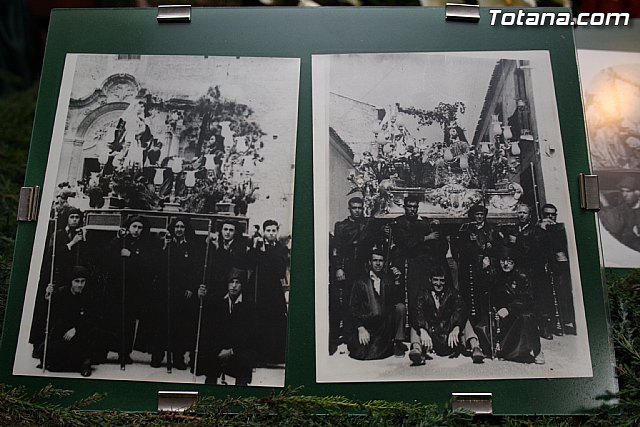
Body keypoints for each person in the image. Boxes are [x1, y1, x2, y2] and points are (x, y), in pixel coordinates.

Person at [101, 215, 160, 365]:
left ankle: (124, 352)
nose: (136, 230)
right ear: (128, 227)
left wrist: (132, 255)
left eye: (140, 228)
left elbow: (149, 265)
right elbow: (106, 256)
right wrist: (117, 242)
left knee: (128, 323)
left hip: (134, 290)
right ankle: (104, 350)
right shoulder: (120, 240)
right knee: (111, 320)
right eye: (134, 227)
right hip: (116, 287)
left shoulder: (147, 244)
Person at [30, 208, 88, 359]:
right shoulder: (59, 234)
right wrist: (72, 243)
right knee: (46, 310)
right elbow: (54, 254)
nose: (75, 220)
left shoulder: (81, 235)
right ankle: (39, 346)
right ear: (67, 219)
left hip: (70, 278)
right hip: (55, 276)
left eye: (77, 217)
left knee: (64, 313)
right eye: (72, 217)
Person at [148, 217, 202, 369]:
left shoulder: (191, 247)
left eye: (182, 227)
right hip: (164, 290)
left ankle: (178, 358)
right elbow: (157, 267)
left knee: (180, 326)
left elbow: (195, 270)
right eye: (176, 227)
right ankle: (157, 356)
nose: (179, 229)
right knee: (161, 325)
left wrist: (191, 288)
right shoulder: (164, 244)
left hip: (183, 292)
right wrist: (164, 247)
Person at [389, 195, 450, 327]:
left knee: (426, 294)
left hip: (426, 265)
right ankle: (412, 328)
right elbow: (406, 242)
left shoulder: (426, 221)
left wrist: (437, 229)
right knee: (412, 295)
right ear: (404, 207)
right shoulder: (398, 222)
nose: (412, 209)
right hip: (408, 265)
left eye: (415, 207)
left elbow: (439, 244)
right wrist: (426, 238)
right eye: (409, 206)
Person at [499, 203, 554, 340]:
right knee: (521, 297)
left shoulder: (536, 230)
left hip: (534, 269)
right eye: (519, 213)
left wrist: (518, 241)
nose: (521, 215)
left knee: (538, 298)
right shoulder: (515, 228)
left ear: (530, 215)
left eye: (524, 213)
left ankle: (544, 327)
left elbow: (536, 249)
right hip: (520, 269)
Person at [409, 267, 484, 365]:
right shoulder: (423, 294)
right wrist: (423, 330)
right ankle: (417, 350)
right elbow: (418, 312)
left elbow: (460, 309)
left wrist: (456, 328)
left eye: (442, 280)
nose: (438, 284)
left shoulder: (453, 293)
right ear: (430, 280)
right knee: (415, 325)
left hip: (449, 335)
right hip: (431, 334)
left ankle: (475, 348)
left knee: (465, 320)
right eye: (435, 280)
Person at [197, 268, 258, 386]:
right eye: (231, 282)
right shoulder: (217, 302)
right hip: (219, 347)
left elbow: (250, 334)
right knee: (209, 358)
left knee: (245, 361)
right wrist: (200, 297)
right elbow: (210, 329)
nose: (234, 286)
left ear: (242, 285)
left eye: (237, 282)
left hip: (238, 349)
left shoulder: (249, 305)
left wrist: (232, 351)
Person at [332, 196, 375, 350]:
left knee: (363, 299)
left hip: (363, 266)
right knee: (346, 300)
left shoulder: (368, 224)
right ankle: (346, 333)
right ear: (349, 209)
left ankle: (364, 331)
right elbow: (337, 249)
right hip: (348, 266)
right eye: (354, 208)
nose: (357, 210)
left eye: (360, 208)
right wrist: (339, 268)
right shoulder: (341, 226)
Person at [347, 249, 407, 360]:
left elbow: (396, 301)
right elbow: (353, 307)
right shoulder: (361, 281)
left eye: (381, 260)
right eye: (375, 260)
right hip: (366, 325)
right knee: (360, 352)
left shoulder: (388, 279)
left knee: (400, 307)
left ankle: (398, 342)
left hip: (383, 327)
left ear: (384, 263)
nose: (378, 263)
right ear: (370, 262)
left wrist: (398, 281)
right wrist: (360, 328)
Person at [452, 204, 495, 356]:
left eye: (481, 214)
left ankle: (483, 333)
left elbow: (491, 246)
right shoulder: (466, 229)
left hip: (483, 267)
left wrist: (484, 249)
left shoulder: (490, 229)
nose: (479, 217)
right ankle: (469, 333)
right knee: (468, 298)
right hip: (468, 267)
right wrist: (468, 243)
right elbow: (458, 248)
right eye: (476, 214)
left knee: (482, 298)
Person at [40, 266, 96, 377]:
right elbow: (50, 312)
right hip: (63, 333)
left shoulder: (89, 296)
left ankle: (85, 363)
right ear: (71, 281)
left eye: (83, 281)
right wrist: (47, 296)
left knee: (89, 338)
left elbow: (92, 319)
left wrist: (76, 329)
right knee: (46, 352)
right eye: (76, 281)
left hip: (81, 334)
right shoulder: (61, 293)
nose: (80, 285)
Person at [491, 246, 544, 364]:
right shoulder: (496, 275)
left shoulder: (522, 276)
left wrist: (510, 309)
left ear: (514, 262)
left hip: (519, 311)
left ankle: (537, 351)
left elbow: (526, 299)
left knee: (527, 317)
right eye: (502, 261)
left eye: (509, 261)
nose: (505, 264)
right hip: (503, 314)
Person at [248, 219, 288, 365]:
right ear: (264, 232)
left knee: (275, 320)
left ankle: (274, 356)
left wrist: (266, 254)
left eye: (273, 231)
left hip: (273, 289)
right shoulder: (258, 246)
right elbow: (251, 263)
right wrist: (256, 248)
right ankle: (258, 355)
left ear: (277, 232)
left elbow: (279, 270)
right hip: (258, 287)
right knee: (258, 319)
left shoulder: (281, 248)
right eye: (268, 231)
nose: (271, 234)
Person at [538, 203, 575, 335]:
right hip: (544, 267)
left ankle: (565, 322)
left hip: (560, 267)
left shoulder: (560, 228)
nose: (549, 217)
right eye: (546, 214)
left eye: (552, 214)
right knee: (547, 296)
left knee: (563, 294)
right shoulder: (538, 229)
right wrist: (542, 230)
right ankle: (552, 324)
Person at [205, 220, 249, 298]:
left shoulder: (240, 247)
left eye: (231, 230)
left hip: (231, 286)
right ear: (221, 231)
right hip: (216, 284)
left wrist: (219, 250)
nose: (227, 232)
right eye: (225, 229)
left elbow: (232, 264)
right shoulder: (215, 244)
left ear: (235, 232)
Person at [600, 174, 640, 252]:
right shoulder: (621, 209)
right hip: (626, 249)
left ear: (637, 192)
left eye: (628, 191)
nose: (624, 195)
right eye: (622, 191)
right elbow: (615, 227)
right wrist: (605, 204)